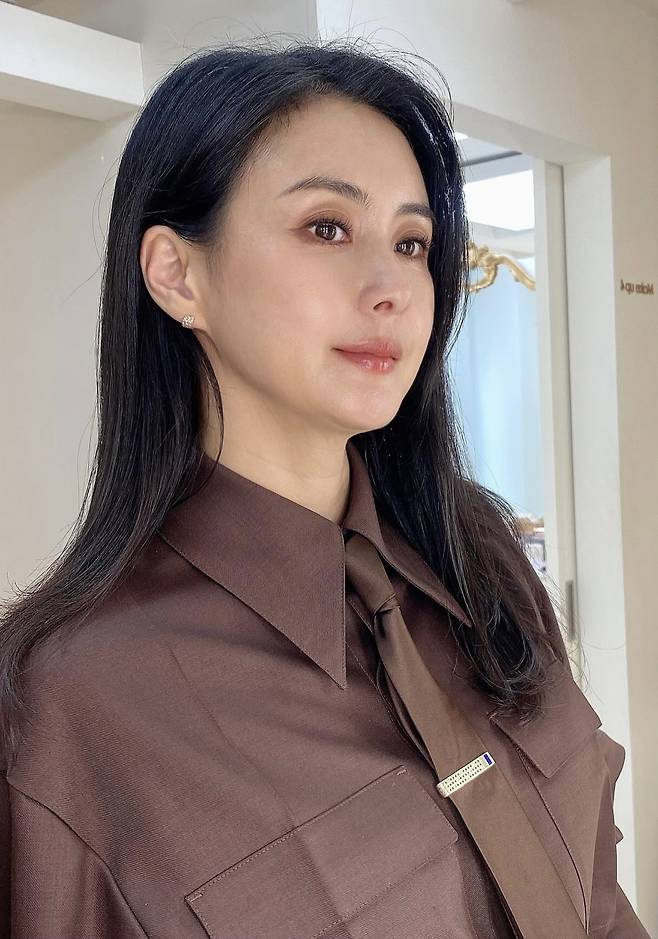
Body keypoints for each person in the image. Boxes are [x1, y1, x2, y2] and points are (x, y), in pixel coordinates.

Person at [0, 36, 649, 939]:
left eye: (412, 243)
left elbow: (600, 897)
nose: (393, 288)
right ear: (177, 274)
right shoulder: (69, 707)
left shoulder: (476, 551)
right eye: (327, 228)